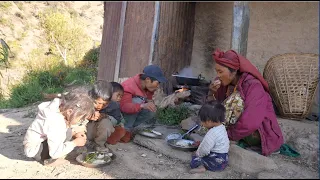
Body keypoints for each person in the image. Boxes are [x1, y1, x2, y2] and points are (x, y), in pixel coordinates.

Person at [207, 48, 284, 156]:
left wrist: (226, 135)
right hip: (238, 130)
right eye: (217, 71)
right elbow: (215, 107)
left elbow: (250, 121)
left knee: (236, 100)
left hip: (258, 134)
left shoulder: (253, 85)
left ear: (234, 72)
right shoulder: (225, 84)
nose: (218, 75)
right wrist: (212, 92)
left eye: (220, 72)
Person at [23, 93, 95, 166]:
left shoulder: (60, 106)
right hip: (36, 149)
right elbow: (55, 153)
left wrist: (74, 133)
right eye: (81, 118)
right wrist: (75, 143)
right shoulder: (55, 122)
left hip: (37, 140)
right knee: (65, 136)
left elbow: (64, 129)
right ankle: (47, 160)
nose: (80, 121)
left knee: (68, 131)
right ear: (69, 111)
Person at [119, 65, 167, 142]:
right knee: (137, 101)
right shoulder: (129, 86)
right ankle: (123, 129)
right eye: (157, 83)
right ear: (148, 79)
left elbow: (148, 99)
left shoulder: (148, 87)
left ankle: (129, 128)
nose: (158, 86)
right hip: (119, 114)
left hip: (131, 112)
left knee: (151, 110)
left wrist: (150, 103)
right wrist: (142, 105)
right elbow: (125, 107)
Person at [190, 100, 229, 174]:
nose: (201, 123)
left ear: (208, 121)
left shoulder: (212, 133)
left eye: (202, 121)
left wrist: (198, 153)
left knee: (195, 159)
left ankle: (201, 167)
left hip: (215, 162)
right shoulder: (222, 128)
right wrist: (201, 143)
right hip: (223, 161)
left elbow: (204, 150)